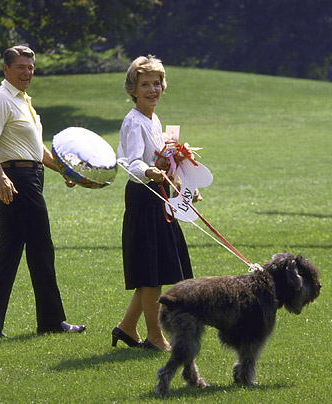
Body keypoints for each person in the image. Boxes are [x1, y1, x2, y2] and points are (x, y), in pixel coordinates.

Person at [0, 45, 85, 339]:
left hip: (28, 177)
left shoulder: (24, 101)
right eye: (21, 67)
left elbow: (38, 151)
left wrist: (65, 171)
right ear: (6, 69)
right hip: (16, 181)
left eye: (31, 68)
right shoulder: (1, 98)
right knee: (41, 248)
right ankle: (51, 321)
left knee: (8, 253)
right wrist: (0, 177)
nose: (27, 73)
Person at [112, 55, 193, 351]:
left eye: (156, 83)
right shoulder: (133, 122)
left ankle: (126, 328)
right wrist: (149, 171)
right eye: (145, 84)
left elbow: (165, 161)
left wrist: (182, 187)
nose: (152, 90)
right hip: (144, 200)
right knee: (150, 276)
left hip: (160, 198)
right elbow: (129, 161)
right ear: (133, 89)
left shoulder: (154, 119)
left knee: (154, 271)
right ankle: (154, 336)